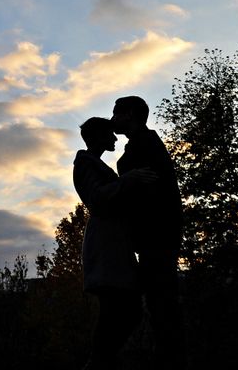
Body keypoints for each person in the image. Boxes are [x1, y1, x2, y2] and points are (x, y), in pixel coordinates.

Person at [73, 116, 157, 370]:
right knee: (117, 308)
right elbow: (97, 198)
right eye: (109, 134)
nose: (114, 138)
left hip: (115, 244)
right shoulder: (86, 165)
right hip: (106, 246)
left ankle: (104, 359)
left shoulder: (95, 165)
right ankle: (99, 361)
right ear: (97, 136)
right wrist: (128, 180)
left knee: (127, 308)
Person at [112, 95, 185, 370]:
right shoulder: (144, 145)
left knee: (162, 307)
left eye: (116, 113)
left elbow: (151, 195)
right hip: (154, 239)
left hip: (157, 239)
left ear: (129, 114)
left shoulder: (145, 147)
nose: (113, 119)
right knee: (158, 306)